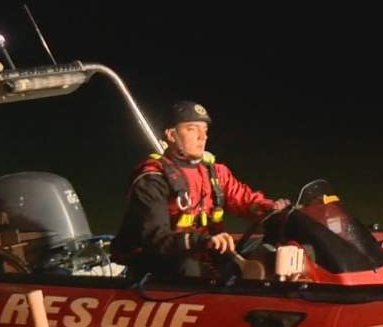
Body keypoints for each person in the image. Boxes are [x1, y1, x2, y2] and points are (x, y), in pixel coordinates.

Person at [111, 100, 289, 278]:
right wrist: (203, 241)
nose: (202, 136)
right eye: (192, 129)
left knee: (275, 243)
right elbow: (155, 238)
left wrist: (272, 209)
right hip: (161, 258)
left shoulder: (215, 173)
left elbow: (246, 200)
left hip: (204, 251)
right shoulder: (152, 179)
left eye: (204, 130)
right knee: (189, 268)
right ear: (171, 135)